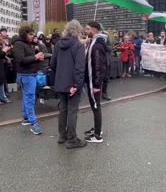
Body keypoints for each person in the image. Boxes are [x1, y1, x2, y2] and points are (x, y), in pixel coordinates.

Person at [50, 20, 87, 149]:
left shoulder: (58, 45)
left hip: (61, 82)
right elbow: (79, 68)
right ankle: (72, 139)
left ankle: (62, 135)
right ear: (78, 31)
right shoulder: (78, 46)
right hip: (72, 83)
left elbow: (52, 64)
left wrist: (60, 75)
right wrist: (77, 85)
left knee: (63, 109)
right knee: (72, 111)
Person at [13, 24, 45, 135]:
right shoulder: (18, 44)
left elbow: (28, 59)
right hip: (26, 75)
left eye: (33, 34)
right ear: (24, 34)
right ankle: (33, 123)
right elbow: (21, 60)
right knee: (30, 98)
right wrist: (35, 57)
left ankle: (26, 118)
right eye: (31, 34)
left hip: (29, 74)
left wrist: (37, 58)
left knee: (27, 96)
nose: (33, 36)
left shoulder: (27, 44)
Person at [84, 21, 107, 143]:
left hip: (94, 82)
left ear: (93, 29)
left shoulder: (97, 45)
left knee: (96, 106)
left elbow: (99, 66)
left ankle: (97, 135)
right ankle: (97, 128)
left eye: (87, 28)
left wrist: (97, 85)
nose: (86, 30)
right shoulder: (93, 43)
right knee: (95, 106)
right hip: (92, 80)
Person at [101, 31, 113, 101]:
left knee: (106, 79)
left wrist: (105, 47)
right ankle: (96, 94)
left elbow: (110, 48)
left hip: (107, 62)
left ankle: (104, 93)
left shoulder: (107, 40)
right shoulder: (97, 40)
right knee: (98, 80)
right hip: (99, 63)